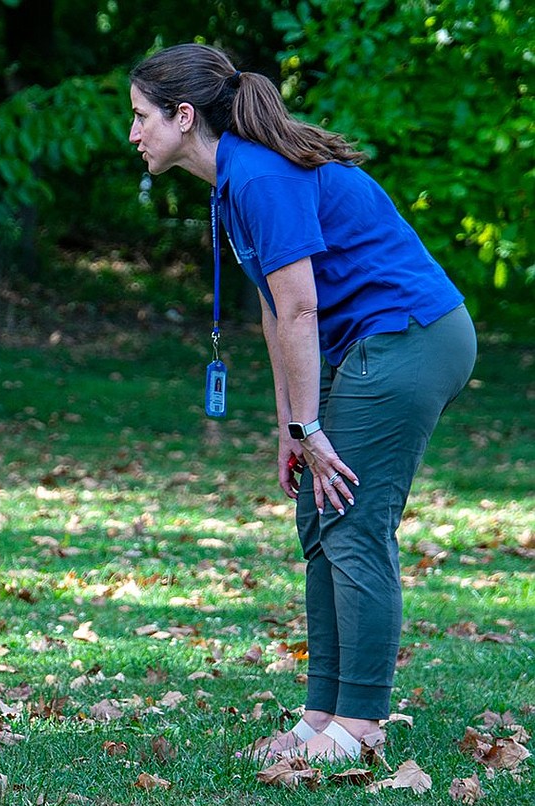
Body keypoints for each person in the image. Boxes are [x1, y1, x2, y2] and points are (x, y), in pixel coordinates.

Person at [128, 43, 476, 762]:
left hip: (410, 339)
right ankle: (322, 717)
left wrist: (314, 424)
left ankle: (362, 725)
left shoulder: (258, 175)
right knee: (319, 520)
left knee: (351, 521)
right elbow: (270, 312)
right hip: (371, 346)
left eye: (140, 116)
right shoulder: (230, 185)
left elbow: (301, 310)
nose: (133, 133)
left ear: (183, 115)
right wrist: (291, 426)